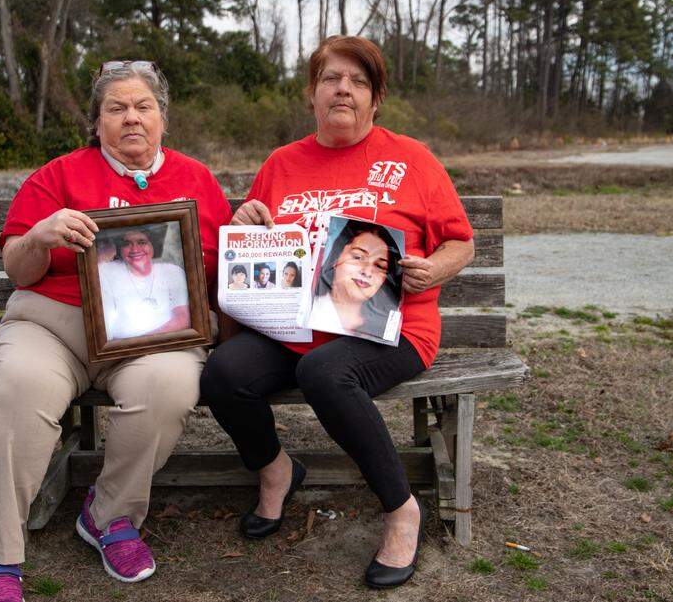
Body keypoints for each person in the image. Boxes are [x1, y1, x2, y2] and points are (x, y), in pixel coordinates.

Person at [200, 36, 474, 589]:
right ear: (312, 94)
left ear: (376, 99)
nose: (343, 89)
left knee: (324, 372)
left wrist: (434, 270)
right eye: (331, 79)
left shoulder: (412, 160)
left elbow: (460, 243)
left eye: (358, 81)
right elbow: (261, 252)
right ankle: (276, 471)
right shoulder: (281, 164)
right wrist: (251, 224)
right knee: (225, 373)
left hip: (391, 327)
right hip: (296, 323)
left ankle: (401, 510)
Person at [0, 60, 231, 602]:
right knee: (20, 390)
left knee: (169, 387)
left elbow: (223, 270)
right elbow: (19, 267)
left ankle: (110, 515)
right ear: (96, 122)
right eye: (116, 108)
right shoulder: (58, 175)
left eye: (143, 106)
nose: (131, 118)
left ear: (162, 118)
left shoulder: (197, 180)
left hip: (152, 335)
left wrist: (248, 233)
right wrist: (40, 236)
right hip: (54, 326)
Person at [307, 220, 401, 339]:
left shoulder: (386, 327)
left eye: (379, 266)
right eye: (358, 257)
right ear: (336, 257)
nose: (367, 272)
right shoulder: (307, 311)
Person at [98, 227, 189, 340]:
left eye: (142, 242)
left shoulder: (172, 272)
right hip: (123, 352)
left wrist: (137, 342)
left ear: (153, 244)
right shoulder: (108, 272)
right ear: (119, 249)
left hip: (168, 344)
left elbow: (183, 319)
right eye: (127, 244)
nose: (135, 249)